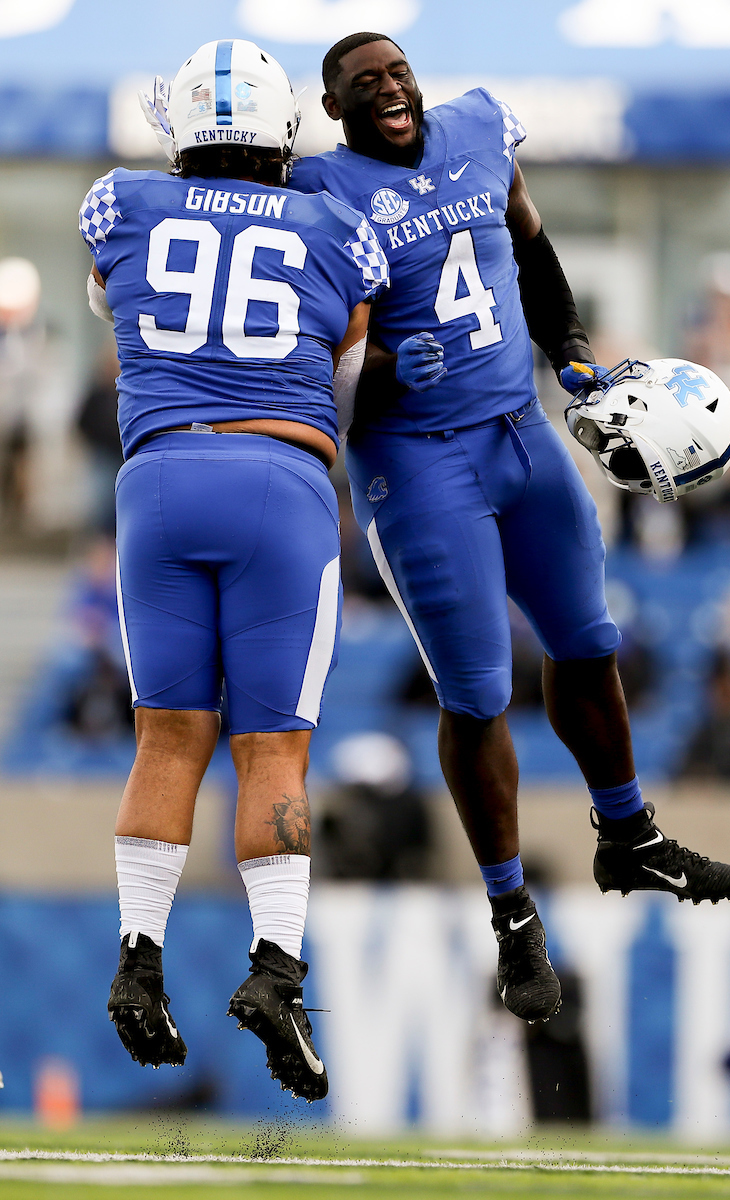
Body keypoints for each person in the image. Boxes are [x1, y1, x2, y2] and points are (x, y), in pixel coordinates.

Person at [289, 32, 730, 1023]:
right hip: (415, 458)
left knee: (587, 641)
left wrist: (572, 348)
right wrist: (372, 374)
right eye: (362, 84)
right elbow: (297, 339)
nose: (388, 90)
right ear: (335, 110)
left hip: (517, 430)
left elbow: (529, 242)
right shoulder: (319, 187)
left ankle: (627, 838)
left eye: (396, 71)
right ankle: (512, 918)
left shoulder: (479, 130)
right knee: (477, 691)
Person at [79, 38, 389, 1101]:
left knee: (166, 741)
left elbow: (113, 309)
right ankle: (274, 969)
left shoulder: (120, 204)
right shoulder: (332, 223)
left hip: (157, 478)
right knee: (274, 756)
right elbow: (346, 354)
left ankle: (137, 955)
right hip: (278, 480)